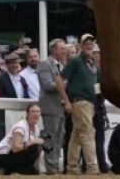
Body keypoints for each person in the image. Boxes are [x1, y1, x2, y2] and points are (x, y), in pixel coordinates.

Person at [61, 34, 100, 174]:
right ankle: (92, 167)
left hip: (89, 103)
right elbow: (59, 79)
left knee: (77, 135)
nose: (89, 45)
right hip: (81, 102)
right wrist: (66, 101)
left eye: (91, 43)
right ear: (81, 46)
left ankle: (72, 167)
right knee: (87, 134)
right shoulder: (76, 61)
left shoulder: (92, 64)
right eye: (86, 43)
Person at [38, 39, 71, 174]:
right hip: (50, 108)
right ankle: (51, 169)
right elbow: (47, 85)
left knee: (59, 139)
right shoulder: (45, 64)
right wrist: (67, 84)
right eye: (62, 49)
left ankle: (55, 167)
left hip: (61, 108)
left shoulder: (62, 65)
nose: (64, 51)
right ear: (54, 50)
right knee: (51, 139)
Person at [0, 102, 46, 175]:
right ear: (27, 114)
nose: (36, 114)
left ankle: (18, 170)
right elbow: (15, 148)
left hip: (15, 156)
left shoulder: (36, 128)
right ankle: (14, 170)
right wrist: (33, 141)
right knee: (34, 146)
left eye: (38, 111)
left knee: (37, 149)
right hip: (4, 157)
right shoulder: (21, 126)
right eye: (33, 111)